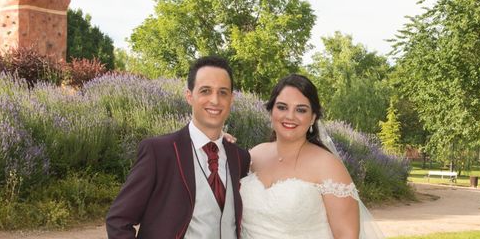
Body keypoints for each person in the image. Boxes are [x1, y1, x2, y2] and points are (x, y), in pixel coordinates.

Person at [106, 55, 251, 239]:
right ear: (189, 96)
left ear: (232, 99)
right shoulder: (159, 152)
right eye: (205, 91)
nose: (215, 100)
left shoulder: (240, 158)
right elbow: (118, 220)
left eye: (223, 92)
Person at [240, 73, 383, 239]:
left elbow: (347, 235)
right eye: (282, 107)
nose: (290, 116)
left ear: (313, 118)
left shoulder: (327, 165)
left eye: (300, 110)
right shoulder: (254, 154)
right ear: (271, 111)